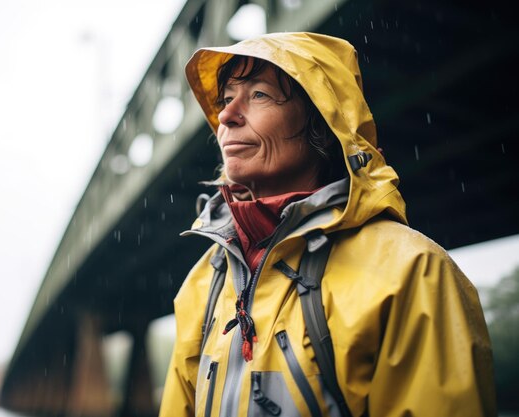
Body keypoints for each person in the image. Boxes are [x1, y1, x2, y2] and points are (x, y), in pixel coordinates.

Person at [159, 32, 495, 417]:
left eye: (259, 95)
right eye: (225, 98)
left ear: (322, 119)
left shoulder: (413, 272)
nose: (226, 116)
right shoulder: (203, 282)